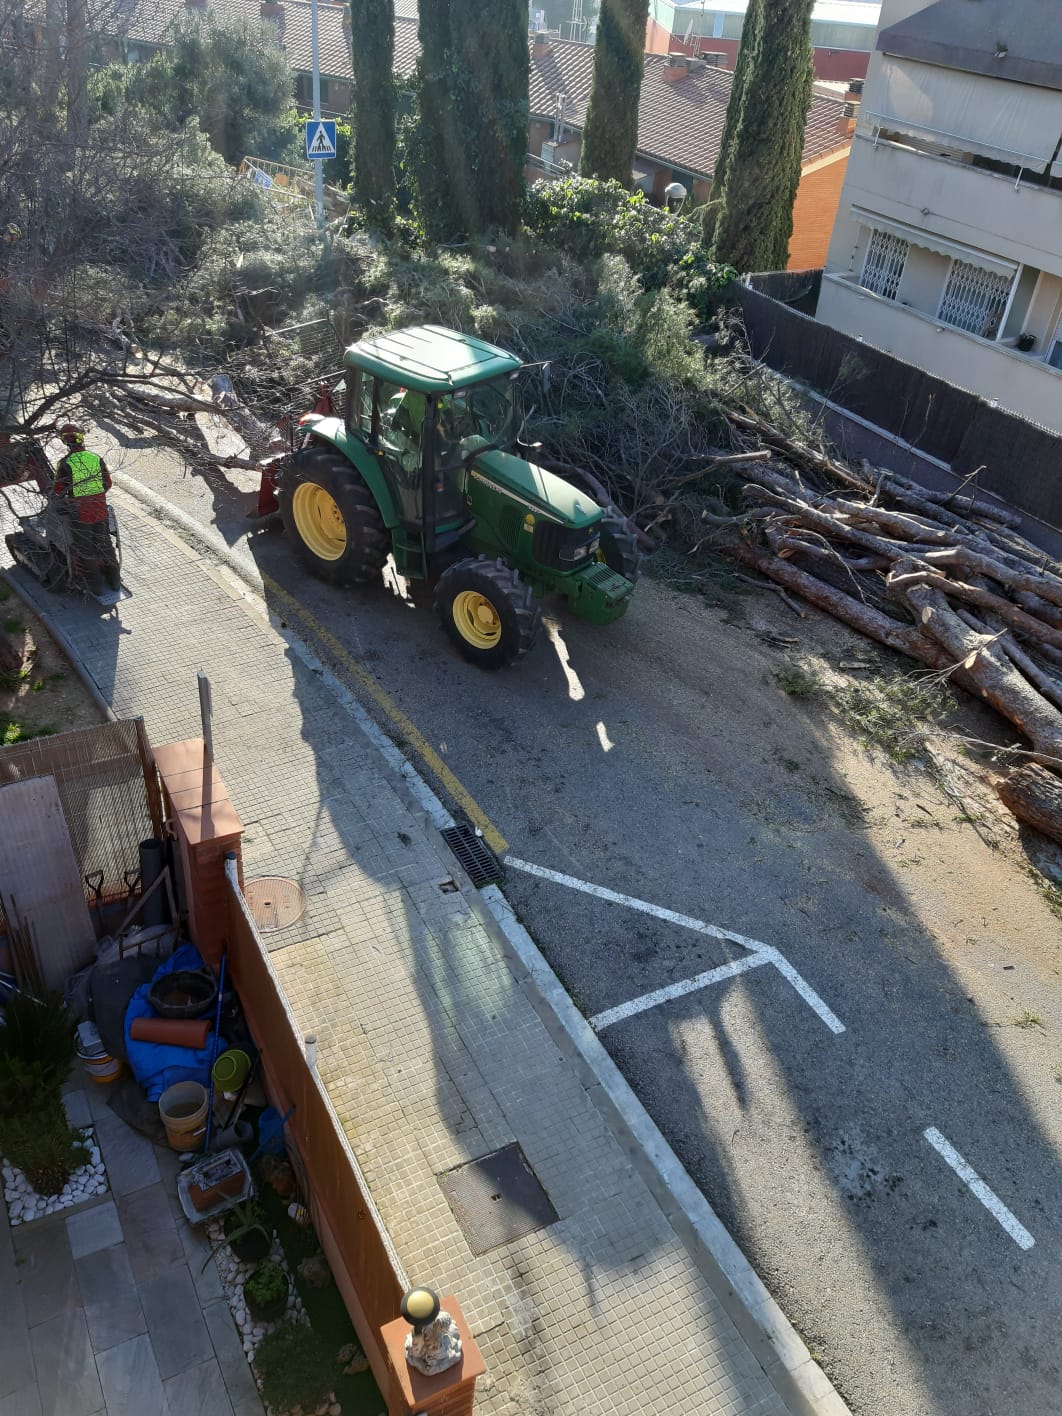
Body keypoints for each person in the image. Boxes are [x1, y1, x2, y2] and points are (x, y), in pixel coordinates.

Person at [52, 424, 121, 595]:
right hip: (100, 508)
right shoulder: (95, 458)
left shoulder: (65, 463)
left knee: (86, 548)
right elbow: (108, 484)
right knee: (105, 545)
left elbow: (58, 490)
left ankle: (96, 587)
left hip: (81, 513)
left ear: (64, 442)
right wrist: (95, 496)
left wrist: (74, 496)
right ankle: (115, 581)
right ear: (81, 438)